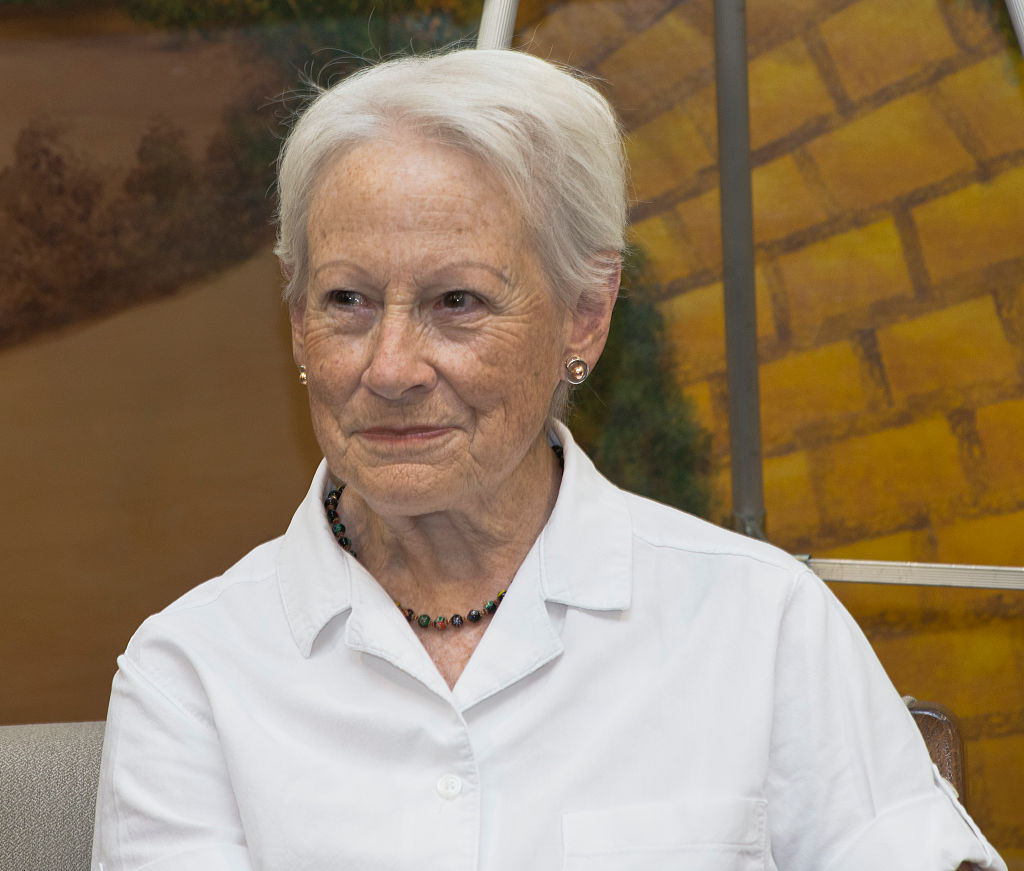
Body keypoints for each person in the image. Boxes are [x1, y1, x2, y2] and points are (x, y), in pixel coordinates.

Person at [91, 48, 1005, 871]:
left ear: (585, 315)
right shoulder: (195, 674)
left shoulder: (761, 627)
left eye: (458, 300)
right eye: (347, 300)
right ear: (296, 322)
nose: (393, 367)